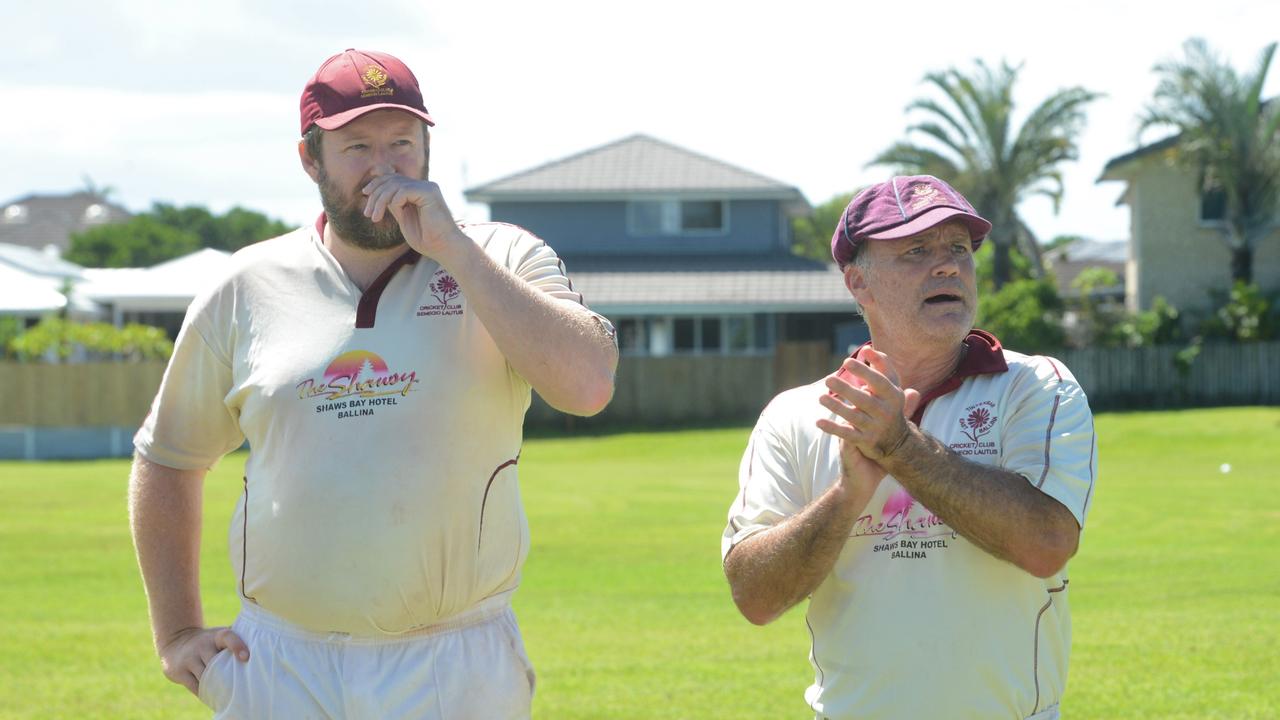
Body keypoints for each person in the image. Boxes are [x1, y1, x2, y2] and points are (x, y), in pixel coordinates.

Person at [128, 48, 618, 719]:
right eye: (357, 145)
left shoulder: (502, 254)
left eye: (402, 143)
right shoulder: (246, 283)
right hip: (281, 662)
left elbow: (587, 385)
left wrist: (455, 250)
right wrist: (178, 630)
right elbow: (168, 459)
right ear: (310, 159)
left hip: (455, 662)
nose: (384, 167)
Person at [721, 175, 1096, 719]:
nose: (947, 266)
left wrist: (899, 445)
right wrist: (847, 497)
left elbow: (1047, 544)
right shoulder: (795, 416)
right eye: (916, 250)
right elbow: (754, 596)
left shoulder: (1036, 386)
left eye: (959, 249)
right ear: (857, 283)